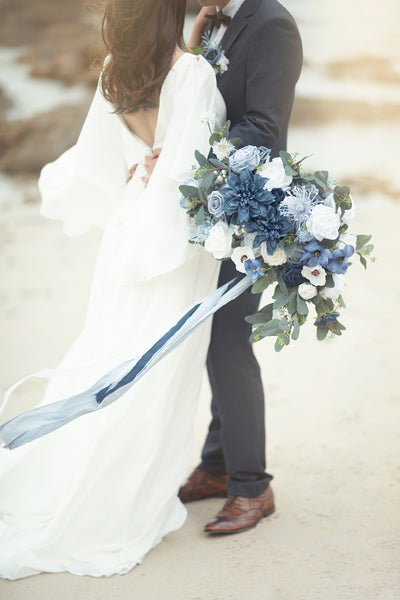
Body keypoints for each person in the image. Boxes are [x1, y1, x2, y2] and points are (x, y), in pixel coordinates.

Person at [0, 0, 226, 579]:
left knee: (107, 359)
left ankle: (77, 477)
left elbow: (96, 166)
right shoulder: (193, 73)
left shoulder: (114, 72)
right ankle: (121, 503)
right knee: (153, 377)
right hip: (174, 249)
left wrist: (140, 168)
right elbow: (190, 170)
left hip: (128, 232)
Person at [178, 0, 303, 535]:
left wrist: (187, 159)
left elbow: (264, 129)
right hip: (217, 209)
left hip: (253, 213)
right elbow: (195, 104)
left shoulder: (272, 24)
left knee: (230, 342)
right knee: (212, 336)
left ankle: (252, 486)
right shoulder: (214, 20)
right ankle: (216, 462)